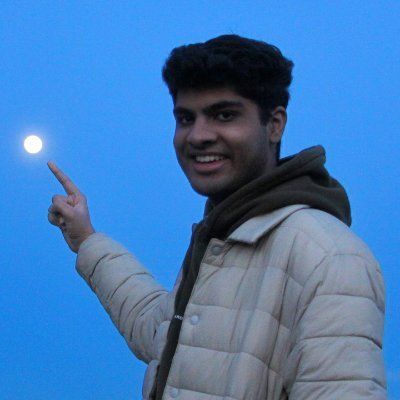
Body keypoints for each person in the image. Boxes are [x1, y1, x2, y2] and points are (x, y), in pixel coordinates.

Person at [48, 35, 386, 399]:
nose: (198, 136)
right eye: (185, 118)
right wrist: (86, 239)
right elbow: (159, 332)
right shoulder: (224, 237)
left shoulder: (330, 257)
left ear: (275, 124)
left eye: (224, 115)